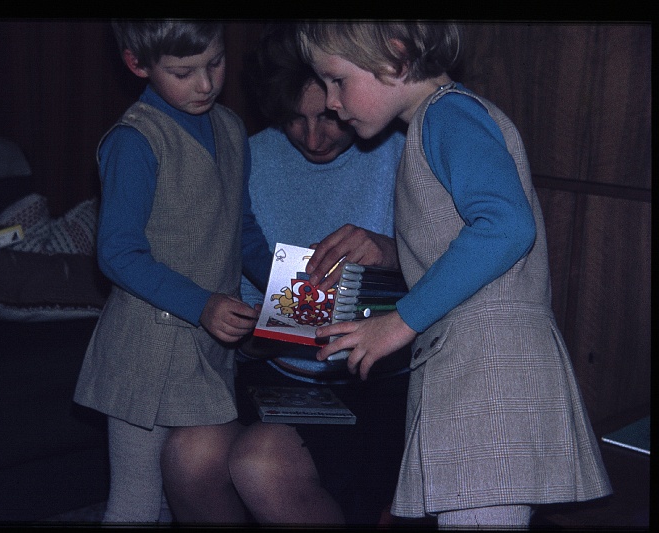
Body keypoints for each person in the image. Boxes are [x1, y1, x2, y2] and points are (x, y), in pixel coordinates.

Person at [297, 21, 613, 529]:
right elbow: (461, 244)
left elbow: (507, 226)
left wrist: (400, 320)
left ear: (395, 57)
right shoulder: (436, 120)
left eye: (337, 80)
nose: (332, 101)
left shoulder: (449, 116)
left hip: (488, 374)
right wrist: (391, 256)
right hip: (471, 370)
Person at [160, 23, 409, 525]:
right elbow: (230, 277)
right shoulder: (250, 155)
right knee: (188, 455)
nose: (313, 137)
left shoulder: (400, 151)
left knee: (261, 461)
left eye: (328, 118)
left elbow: (458, 270)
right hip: (274, 372)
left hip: (376, 381)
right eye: (295, 120)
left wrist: (389, 252)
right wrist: (250, 330)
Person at [73, 20, 273, 524]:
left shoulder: (230, 129)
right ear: (137, 64)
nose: (205, 84)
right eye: (183, 72)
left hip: (208, 347)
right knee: (138, 500)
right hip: (145, 348)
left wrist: (285, 283)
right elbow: (117, 253)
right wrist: (200, 304)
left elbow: (241, 228)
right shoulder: (135, 140)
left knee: (177, 492)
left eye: (215, 63)